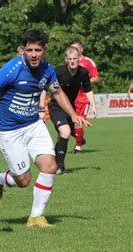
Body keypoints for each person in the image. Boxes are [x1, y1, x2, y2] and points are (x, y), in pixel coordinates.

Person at [0, 30, 91, 227]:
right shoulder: (12, 68)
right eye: (29, 49)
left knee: (50, 166)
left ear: (44, 50)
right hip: (8, 130)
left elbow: (57, 93)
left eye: (38, 50)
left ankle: (35, 217)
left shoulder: (47, 69)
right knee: (23, 180)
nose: (33, 54)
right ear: (23, 50)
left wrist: (73, 114)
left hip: (33, 125)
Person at [49, 46, 97, 174]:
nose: (72, 61)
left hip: (71, 109)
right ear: (66, 59)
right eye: (69, 59)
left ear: (78, 59)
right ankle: (59, 166)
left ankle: (76, 139)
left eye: (75, 58)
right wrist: (41, 109)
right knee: (65, 131)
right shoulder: (58, 72)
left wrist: (93, 106)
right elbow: (44, 89)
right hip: (56, 107)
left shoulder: (83, 73)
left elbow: (88, 90)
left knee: (67, 133)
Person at [70, 39, 100, 153]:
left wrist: (83, 81)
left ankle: (78, 147)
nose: (74, 51)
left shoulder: (88, 62)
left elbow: (96, 78)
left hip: (82, 97)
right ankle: (79, 138)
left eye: (76, 48)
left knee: (78, 121)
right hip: (70, 96)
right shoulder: (70, 61)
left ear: (81, 49)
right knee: (66, 123)